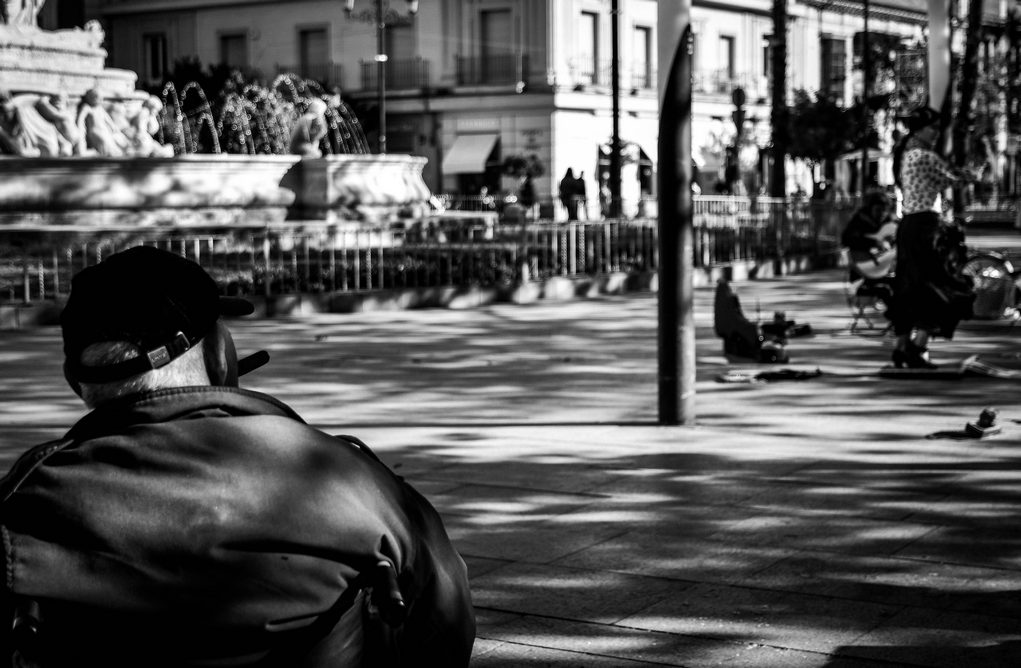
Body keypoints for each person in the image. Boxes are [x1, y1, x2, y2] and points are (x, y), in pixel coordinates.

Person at [0, 247, 476, 666]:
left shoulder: (26, 498)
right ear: (219, 356)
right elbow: (446, 625)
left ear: (76, 383)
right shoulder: (346, 477)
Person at [889, 106, 976, 369]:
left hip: (909, 226)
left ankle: (902, 346)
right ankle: (918, 346)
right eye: (933, 128)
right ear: (920, 129)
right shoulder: (924, 156)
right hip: (926, 227)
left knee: (907, 284)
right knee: (942, 283)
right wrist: (972, 174)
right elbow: (955, 179)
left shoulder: (905, 155)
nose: (937, 133)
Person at [841, 189, 897, 284]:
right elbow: (846, 239)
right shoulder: (859, 219)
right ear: (870, 208)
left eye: (885, 210)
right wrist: (873, 243)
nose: (882, 214)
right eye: (878, 210)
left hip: (883, 266)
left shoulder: (889, 222)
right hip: (862, 264)